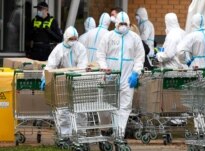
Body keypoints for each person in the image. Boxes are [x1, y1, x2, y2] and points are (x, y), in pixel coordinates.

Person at [96, 12, 145, 140]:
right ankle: (105, 129)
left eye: (125, 24)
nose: (123, 26)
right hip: (110, 76)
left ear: (129, 24)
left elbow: (140, 57)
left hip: (127, 78)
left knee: (124, 107)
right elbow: (100, 54)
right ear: (116, 24)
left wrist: (136, 72)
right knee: (105, 106)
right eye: (121, 24)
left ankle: (119, 135)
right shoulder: (108, 37)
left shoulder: (134, 38)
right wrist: (104, 67)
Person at [40, 26, 88, 137]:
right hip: (62, 82)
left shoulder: (80, 48)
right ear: (66, 38)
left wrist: (77, 76)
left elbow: (83, 64)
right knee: (63, 110)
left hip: (77, 81)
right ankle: (65, 135)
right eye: (71, 39)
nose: (73, 41)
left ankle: (80, 133)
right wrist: (44, 77)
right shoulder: (59, 49)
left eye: (75, 38)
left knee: (81, 109)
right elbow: (50, 65)